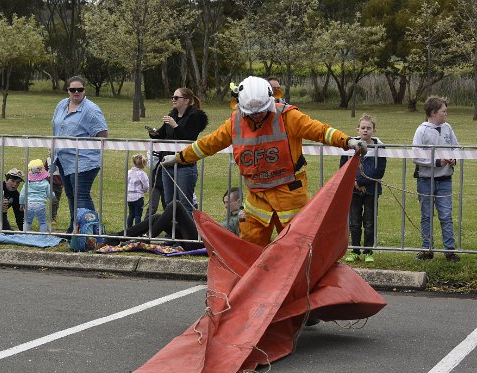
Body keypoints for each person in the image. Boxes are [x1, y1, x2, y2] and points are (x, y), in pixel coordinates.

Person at [161, 75, 366, 247]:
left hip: (290, 196)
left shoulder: (287, 116)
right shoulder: (235, 123)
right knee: (249, 248)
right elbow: (208, 144)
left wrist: (347, 141)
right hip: (257, 199)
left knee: (297, 249)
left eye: (260, 112)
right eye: (252, 114)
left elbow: (320, 131)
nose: (257, 117)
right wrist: (180, 157)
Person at [51, 75, 108, 233]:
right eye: (73, 89)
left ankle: (90, 232)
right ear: (68, 90)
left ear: (84, 90)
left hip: (84, 162)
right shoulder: (62, 104)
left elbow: (102, 134)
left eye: (80, 89)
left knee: (81, 195)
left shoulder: (91, 110)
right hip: (63, 160)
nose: (76, 92)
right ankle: (73, 229)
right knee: (71, 195)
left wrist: (84, 146)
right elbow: (55, 127)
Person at [146, 87, 209, 215]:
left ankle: (187, 234)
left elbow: (189, 137)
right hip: (167, 164)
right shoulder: (172, 115)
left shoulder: (195, 117)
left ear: (186, 101)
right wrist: (153, 133)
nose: (173, 100)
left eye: (176, 98)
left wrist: (175, 126)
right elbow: (162, 134)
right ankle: (172, 234)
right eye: (172, 97)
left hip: (185, 165)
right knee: (169, 204)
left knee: (185, 204)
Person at [412, 95, 460, 262]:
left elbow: (456, 147)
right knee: (426, 215)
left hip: (445, 180)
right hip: (426, 180)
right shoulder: (421, 130)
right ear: (433, 113)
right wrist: (436, 162)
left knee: (446, 215)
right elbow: (416, 156)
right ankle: (427, 248)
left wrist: (454, 158)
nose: (446, 114)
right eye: (443, 111)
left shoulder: (448, 128)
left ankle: (450, 250)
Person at [341, 114, 387, 263]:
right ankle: (354, 250)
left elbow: (379, 170)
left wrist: (362, 182)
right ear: (358, 129)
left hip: (371, 191)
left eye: (369, 128)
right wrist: (354, 183)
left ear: (374, 130)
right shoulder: (350, 145)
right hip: (353, 190)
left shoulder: (380, 147)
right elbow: (344, 166)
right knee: (354, 222)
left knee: (369, 221)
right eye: (363, 128)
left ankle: (368, 251)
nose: (365, 130)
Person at [105, 200, 203, 251]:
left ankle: (146, 238)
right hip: (198, 237)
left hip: (200, 242)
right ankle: (119, 236)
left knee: (176, 205)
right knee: (157, 217)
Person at [20, 159, 54, 232]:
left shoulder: (27, 184)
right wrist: (54, 199)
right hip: (41, 205)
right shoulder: (45, 183)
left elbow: (22, 194)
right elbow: (51, 194)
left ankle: (25, 236)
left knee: (27, 222)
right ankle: (43, 237)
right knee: (42, 222)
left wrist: (22, 203)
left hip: (29, 205)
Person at [126, 154, 150, 227]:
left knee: (131, 214)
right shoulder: (142, 174)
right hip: (138, 197)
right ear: (144, 164)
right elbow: (146, 185)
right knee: (138, 215)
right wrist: (144, 191)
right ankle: (137, 231)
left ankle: (128, 230)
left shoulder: (129, 172)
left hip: (129, 197)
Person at [45, 152, 64, 224]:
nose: (51, 152)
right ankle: (52, 217)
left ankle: (53, 215)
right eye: (49, 150)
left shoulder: (61, 159)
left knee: (56, 201)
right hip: (50, 183)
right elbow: (45, 170)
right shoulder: (48, 160)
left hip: (59, 184)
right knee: (53, 200)